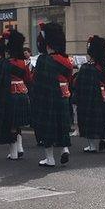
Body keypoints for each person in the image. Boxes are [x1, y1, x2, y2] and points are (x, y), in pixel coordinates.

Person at [31, 22, 74, 167]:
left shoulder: (43, 60)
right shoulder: (66, 60)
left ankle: (50, 159)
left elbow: (37, 81)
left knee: (47, 127)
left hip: (47, 97)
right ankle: (64, 149)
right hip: (62, 96)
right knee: (62, 124)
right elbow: (68, 78)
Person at [0, 29, 32, 160]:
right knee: (17, 123)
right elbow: (28, 79)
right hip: (23, 94)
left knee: (10, 124)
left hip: (9, 95)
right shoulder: (22, 63)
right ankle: (20, 148)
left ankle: (14, 152)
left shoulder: (3, 63)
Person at [75, 35, 105, 153]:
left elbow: (77, 83)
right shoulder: (104, 67)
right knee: (101, 119)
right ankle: (102, 139)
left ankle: (91, 145)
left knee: (89, 120)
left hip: (87, 98)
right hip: (101, 97)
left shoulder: (86, 67)